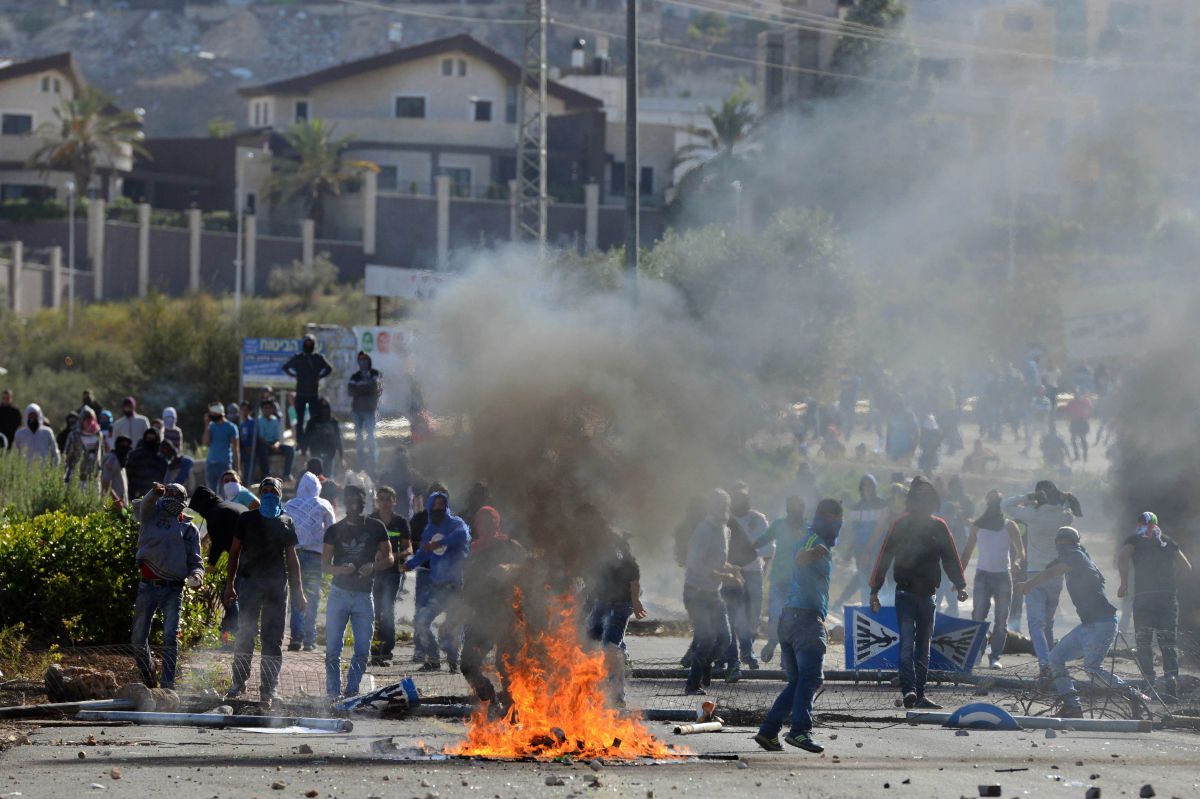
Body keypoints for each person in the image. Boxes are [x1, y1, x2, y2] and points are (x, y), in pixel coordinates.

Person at [1015, 527, 1142, 719]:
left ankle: (1132, 694)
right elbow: (1053, 568)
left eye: (1064, 543)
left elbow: (1056, 570)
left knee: (1092, 669)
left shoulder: (1076, 555)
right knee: (1055, 658)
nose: (1062, 547)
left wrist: (1028, 585)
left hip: (1102, 623)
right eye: (1061, 544)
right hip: (1088, 625)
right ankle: (1073, 706)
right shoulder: (1074, 555)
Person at [869, 476, 968, 710]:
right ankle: (910, 692)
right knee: (913, 646)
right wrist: (874, 589)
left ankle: (917, 693)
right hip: (907, 594)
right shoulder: (901, 524)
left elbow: (950, 556)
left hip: (926, 596)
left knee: (918, 647)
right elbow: (885, 556)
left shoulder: (938, 525)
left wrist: (961, 584)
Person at [754, 498, 843, 754]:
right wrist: (813, 554)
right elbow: (801, 558)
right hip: (804, 621)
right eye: (835, 520)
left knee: (797, 683)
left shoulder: (813, 538)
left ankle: (769, 732)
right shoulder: (813, 540)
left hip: (791, 619)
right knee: (811, 678)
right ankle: (800, 731)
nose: (838, 526)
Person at [223, 477, 304, 706]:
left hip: (277, 589)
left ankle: (269, 688)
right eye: (265, 490)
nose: (269, 494)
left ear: (279, 495)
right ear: (260, 494)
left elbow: (292, 558)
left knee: (273, 640)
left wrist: (299, 592)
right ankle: (238, 684)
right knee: (245, 635)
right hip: (249, 585)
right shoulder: (247, 518)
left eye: (273, 491)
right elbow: (234, 552)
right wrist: (230, 585)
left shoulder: (286, 521)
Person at [1002, 482, 1081, 679]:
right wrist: (1065, 499)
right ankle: (1052, 662)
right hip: (1056, 575)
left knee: (1036, 624)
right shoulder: (1064, 517)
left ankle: (1045, 664)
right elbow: (1074, 511)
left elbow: (1006, 506)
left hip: (1034, 575)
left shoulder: (1033, 514)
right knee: (1048, 623)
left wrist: (1027, 496)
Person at [131, 483, 203, 690]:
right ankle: (149, 676)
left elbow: (195, 560)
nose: (171, 497)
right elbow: (145, 504)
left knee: (170, 637)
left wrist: (197, 575)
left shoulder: (189, 529)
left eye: (177, 495)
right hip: (148, 586)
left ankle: (168, 685)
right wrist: (154, 492)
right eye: (168, 493)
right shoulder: (151, 515)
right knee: (138, 638)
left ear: (184, 501)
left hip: (174, 588)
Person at [324, 484, 392, 697]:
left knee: (362, 650)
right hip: (339, 594)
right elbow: (324, 565)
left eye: (359, 500)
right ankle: (333, 695)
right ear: (345, 502)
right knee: (333, 649)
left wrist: (373, 566)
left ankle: (351, 691)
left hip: (364, 596)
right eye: (351, 499)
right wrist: (340, 570)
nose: (355, 504)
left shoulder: (376, 526)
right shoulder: (334, 530)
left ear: (365, 502)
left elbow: (389, 557)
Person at [1117, 512, 1192, 698]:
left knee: (1144, 641)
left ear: (1138, 524)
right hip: (1167, 598)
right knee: (1168, 642)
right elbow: (1186, 567)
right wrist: (1172, 584)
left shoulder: (1134, 539)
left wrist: (1124, 583)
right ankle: (1170, 684)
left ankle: (1148, 682)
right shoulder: (1166, 540)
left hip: (1144, 597)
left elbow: (1122, 557)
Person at [460, 506, 526, 711]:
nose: (485, 526)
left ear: (497, 523)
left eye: (490, 522)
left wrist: (510, 569)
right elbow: (467, 585)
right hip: (480, 616)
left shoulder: (510, 546)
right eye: (481, 522)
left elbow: (531, 568)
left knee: (505, 665)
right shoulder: (474, 549)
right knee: (468, 664)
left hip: (507, 614)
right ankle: (491, 700)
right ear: (476, 526)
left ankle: (512, 709)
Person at [580, 505, 647, 706]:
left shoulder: (613, 542)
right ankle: (622, 653)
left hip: (620, 603)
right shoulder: (588, 543)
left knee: (609, 647)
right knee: (590, 637)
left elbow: (633, 573)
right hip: (601, 601)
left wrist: (635, 602)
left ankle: (618, 696)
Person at [405, 489, 471, 672]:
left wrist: (439, 543)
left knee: (453, 626)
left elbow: (463, 536)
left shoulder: (456, 524)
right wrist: (408, 565)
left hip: (455, 587)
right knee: (421, 621)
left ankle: (453, 662)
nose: (438, 508)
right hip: (437, 588)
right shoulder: (429, 529)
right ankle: (433, 658)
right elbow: (422, 553)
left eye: (442, 505)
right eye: (435, 505)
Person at [960, 490, 1025, 669]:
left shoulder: (1009, 525)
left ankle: (994, 656)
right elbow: (966, 553)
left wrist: (1018, 562)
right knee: (978, 617)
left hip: (1003, 576)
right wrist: (958, 579)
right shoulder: (977, 526)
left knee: (1001, 619)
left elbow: (1021, 552)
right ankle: (977, 653)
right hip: (982, 576)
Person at [683, 489, 737, 696]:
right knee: (706, 638)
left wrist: (731, 569)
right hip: (696, 592)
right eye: (718, 505)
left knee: (725, 638)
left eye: (725, 505)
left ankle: (706, 663)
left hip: (713, 594)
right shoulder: (704, 530)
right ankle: (692, 685)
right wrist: (719, 575)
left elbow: (718, 560)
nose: (722, 509)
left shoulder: (725, 530)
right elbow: (694, 563)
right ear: (710, 507)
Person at [281, 470, 335, 652]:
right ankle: (309, 641)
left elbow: (283, 529)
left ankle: (296, 638)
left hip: (293, 555)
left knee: (297, 594)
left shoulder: (289, 504)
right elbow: (332, 531)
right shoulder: (323, 504)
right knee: (312, 596)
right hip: (315, 556)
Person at [189, 486, 248, 646]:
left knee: (229, 594)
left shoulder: (216, 514)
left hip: (245, 557)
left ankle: (232, 637)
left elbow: (218, 544)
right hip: (256, 555)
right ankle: (239, 634)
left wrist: (209, 566)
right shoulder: (229, 506)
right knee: (245, 595)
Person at [758, 496, 807, 663]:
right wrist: (748, 547)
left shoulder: (808, 529)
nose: (794, 512)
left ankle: (788, 659)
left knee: (793, 619)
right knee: (775, 614)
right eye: (791, 509)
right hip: (779, 578)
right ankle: (772, 642)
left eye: (797, 509)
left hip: (799, 582)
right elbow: (764, 539)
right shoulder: (779, 525)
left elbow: (819, 547)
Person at [729, 482, 771, 672]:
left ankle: (746, 649)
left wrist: (755, 559)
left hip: (754, 572)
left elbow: (769, 548)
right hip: (732, 574)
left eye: (743, 496)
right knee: (735, 615)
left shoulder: (758, 519)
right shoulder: (726, 521)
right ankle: (741, 654)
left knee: (753, 616)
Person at [369, 485, 412, 667]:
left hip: (392, 573)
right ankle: (374, 651)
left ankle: (386, 650)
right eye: (381, 499)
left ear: (394, 501)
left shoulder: (400, 522)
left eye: (388, 499)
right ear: (377, 501)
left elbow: (409, 548)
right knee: (373, 611)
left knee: (386, 609)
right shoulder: (371, 520)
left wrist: (394, 556)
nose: (384, 503)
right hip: (373, 572)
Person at [834, 476, 889, 608]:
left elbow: (880, 529)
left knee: (878, 580)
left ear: (874, 487)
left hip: (877, 549)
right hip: (860, 550)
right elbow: (855, 532)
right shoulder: (857, 508)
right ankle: (867, 609)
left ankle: (885, 609)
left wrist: (868, 550)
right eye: (864, 485)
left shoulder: (882, 505)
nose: (867, 488)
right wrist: (849, 551)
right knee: (864, 582)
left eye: (870, 485)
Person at [284, 335, 333, 452]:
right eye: (306, 343)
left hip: (313, 394)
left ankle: (313, 442)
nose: (308, 345)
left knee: (313, 419)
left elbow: (329, 368)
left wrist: (319, 377)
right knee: (299, 420)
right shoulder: (298, 357)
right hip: (300, 393)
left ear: (314, 345)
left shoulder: (318, 358)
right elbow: (286, 367)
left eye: (310, 344)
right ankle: (301, 443)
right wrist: (295, 376)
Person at [348, 352, 383, 473]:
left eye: (365, 360)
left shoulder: (375, 373)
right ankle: (361, 465)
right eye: (360, 360)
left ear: (369, 361)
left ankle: (373, 466)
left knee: (371, 438)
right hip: (357, 410)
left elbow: (375, 387)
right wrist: (366, 389)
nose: (363, 362)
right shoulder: (355, 376)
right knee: (359, 440)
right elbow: (350, 391)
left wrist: (360, 389)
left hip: (370, 410)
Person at [64, 406, 105, 490]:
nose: (89, 422)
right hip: (77, 479)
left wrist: (100, 471)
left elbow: (101, 455)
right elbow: (67, 456)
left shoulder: (98, 435)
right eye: (86, 419)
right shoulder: (74, 436)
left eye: (91, 419)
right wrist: (66, 476)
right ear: (81, 420)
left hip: (94, 479)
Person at [202, 403, 241, 490]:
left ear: (218, 413)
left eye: (212, 414)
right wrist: (206, 425)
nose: (211, 416)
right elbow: (205, 442)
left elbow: (236, 449)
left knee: (225, 493)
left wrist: (237, 469)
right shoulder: (211, 426)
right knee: (210, 494)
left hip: (224, 464)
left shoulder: (231, 427)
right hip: (210, 463)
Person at [255, 399, 295, 482]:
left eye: (269, 408)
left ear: (272, 409)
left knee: (290, 450)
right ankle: (266, 474)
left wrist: (276, 445)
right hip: (264, 444)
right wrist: (271, 446)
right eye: (265, 408)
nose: (267, 410)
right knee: (263, 451)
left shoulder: (275, 420)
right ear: (262, 410)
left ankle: (287, 474)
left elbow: (277, 438)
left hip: (274, 444)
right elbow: (261, 438)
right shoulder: (259, 420)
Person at [125, 427, 168, 500]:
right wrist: (134, 490)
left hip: (154, 494)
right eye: (148, 438)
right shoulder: (135, 455)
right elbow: (129, 474)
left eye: (152, 438)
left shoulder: (162, 459)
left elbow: (162, 478)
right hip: (135, 493)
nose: (150, 439)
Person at [304, 398, 343, 478]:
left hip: (330, 452)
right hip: (316, 452)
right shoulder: (312, 422)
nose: (323, 410)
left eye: (325, 408)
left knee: (328, 477)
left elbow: (338, 438)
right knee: (315, 476)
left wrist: (341, 455)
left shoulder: (333, 422)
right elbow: (306, 437)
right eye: (321, 407)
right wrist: (304, 452)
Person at [101, 435, 133, 507]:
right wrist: (116, 500)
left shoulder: (122, 461)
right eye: (123, 444)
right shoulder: (112, 460)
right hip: (113, 505)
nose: (126, 447)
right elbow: (105, 482)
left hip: (121, 504)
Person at [1064, 389, 1093, 463]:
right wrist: (1069, 418)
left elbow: (1089, 410)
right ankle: (1077, 455)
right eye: (1076, 394)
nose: (1077, 396)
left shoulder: (1085, 401)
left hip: (1082, 422)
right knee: (1073, 440)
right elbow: (1067, 411)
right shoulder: (1072, 402)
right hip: (1075, 422)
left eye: (1079, 394)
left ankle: (1085, 456)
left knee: (1083, 439)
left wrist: (1086, 417)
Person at [237, 401, 258, 481]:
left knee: (249, 465)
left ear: (249, 411)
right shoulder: (241, 425)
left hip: (250, 451)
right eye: (242, 410)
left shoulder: (252, 423)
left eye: (246, 410)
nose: (243, 412)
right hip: (243, 451)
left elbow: (254, 437)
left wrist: (250, 447)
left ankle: (247, 481)